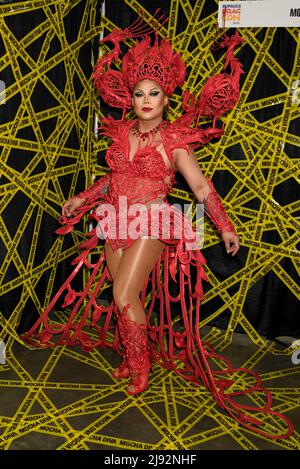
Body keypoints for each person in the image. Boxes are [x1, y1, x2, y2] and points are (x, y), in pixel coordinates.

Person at [22, 18, 293, 439]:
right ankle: (133, 356)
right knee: (124, 295)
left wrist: (223, 225)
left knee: (124, 293)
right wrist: (83, 198)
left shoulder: (174, 140)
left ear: (167, 98)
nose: (146, 100)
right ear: (130, 98)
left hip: (151, 219)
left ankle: (141, 368)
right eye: (139, 93)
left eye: (154, 93)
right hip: (115, 217)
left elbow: (201, 186)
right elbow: (113, 179)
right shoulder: (121, 133)